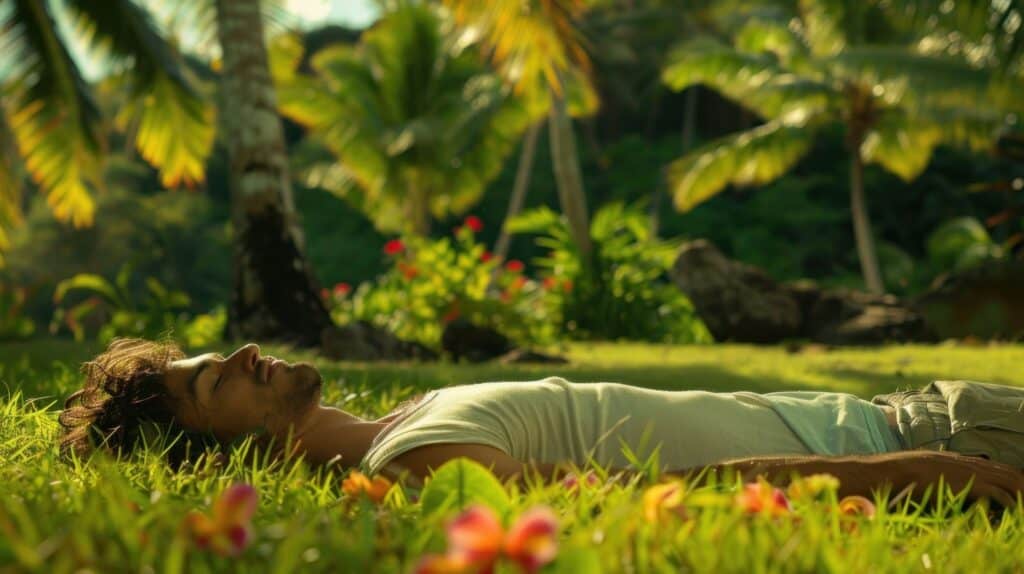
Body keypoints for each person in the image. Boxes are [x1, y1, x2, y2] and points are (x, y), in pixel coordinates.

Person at [59, 339, 1024, 506]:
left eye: (209, 354)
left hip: (923, 407)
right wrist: (898, 473)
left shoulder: (412, 414)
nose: (235, 357)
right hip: (925, 445)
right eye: (207, 384)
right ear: (224, 453)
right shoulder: (423, 462)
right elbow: (641, 497)